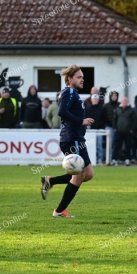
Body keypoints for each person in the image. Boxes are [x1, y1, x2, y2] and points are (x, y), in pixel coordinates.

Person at [39, 65, 95, 218]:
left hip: (77, 139)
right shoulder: (69, 92)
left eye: (83, 77)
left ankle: (50, 181)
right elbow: (62, 111)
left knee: (88, 174)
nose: (82, 79)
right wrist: (81, 121)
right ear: (70, 79)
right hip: (71, 139)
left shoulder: (73, 93)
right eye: (79, 77)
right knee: (79, 174)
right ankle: (59, 211)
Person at [113, 96, 137, 165]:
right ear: (121, 101)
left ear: (128, 102)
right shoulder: (117, 109)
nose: (124, 102)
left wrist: (132, 129)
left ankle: (127, 159)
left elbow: (135, 120)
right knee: (116, 146)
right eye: (123, 101)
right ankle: (115, 159)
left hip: (128, 132)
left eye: (126, 101)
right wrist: (115, 128)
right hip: (118, 131)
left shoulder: (132, 110)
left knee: (128, 146)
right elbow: (114, 119)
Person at [85, 94, 109, 163]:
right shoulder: (87, 109)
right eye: (94, 99)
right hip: (90, 130)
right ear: (91, 100)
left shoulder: (102, 108)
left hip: (99, 130)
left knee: (99, 144)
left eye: (96, 99)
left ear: (98, 100)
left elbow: (105, 119)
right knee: (91, 145)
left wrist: (100, 125)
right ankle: (91, 159)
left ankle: (100, 158)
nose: (95, 100)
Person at [103, 91, 120, 162]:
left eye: (115, 96)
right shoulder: (106, 106)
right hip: (109, 127)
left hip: (118, 128)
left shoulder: (120, 105)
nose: (114, 97)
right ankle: (109, 158)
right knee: (110, 143)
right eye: (113, 96)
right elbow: (104, 117)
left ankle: (116, 158)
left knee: (117, 143)